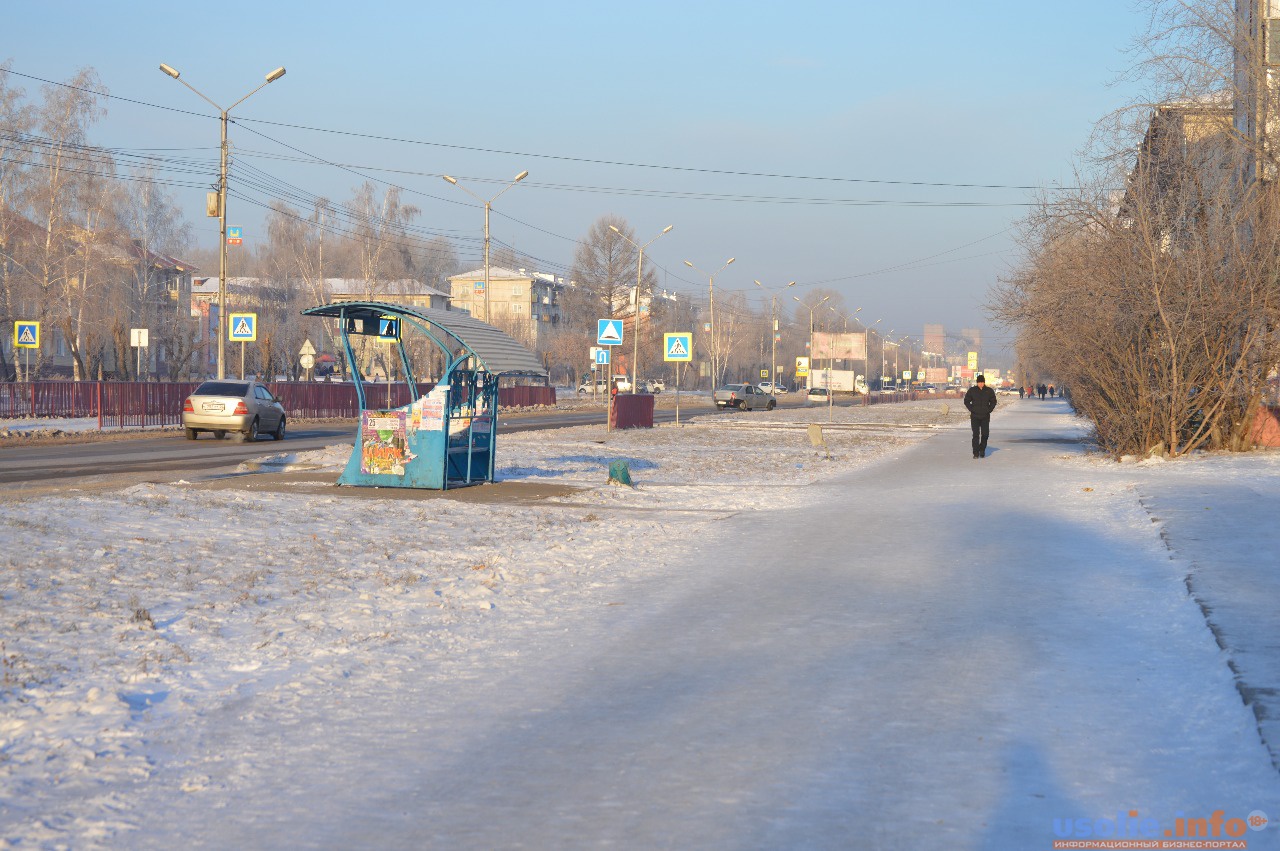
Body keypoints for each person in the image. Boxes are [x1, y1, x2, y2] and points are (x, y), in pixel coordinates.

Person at [963, 374, 998, 459]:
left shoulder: (989, 391)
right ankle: (975, 452)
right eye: (979, 382)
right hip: (975, 416)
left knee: (985, 434)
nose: (981, 384)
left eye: (982, 382)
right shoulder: (972, 390)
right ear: (977, 383)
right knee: (975, 434)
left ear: (984, 382)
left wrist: (989, 410)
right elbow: (966, 401)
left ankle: (982, 449)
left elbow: (993, 401)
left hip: (985, 416)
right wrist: (972, 409)